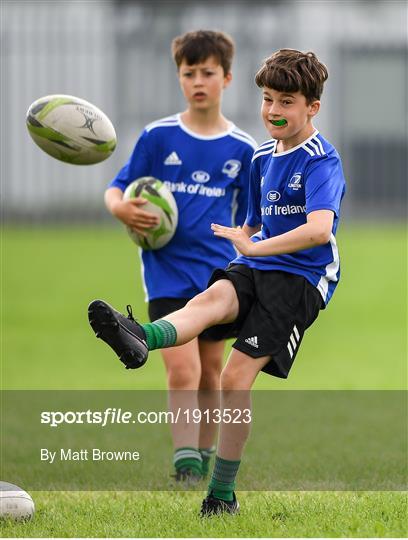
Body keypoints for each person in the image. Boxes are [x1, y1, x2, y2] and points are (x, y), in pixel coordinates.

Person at [88, 48, 346, 515]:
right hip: (260, 264)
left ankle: (222, 495)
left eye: (287, 101)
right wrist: (243, 238)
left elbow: (319, 229)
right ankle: (140, 336)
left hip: (302, 279)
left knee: (233, 377)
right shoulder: (262, 157)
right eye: (268, 99)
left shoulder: (320, 159)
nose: (273, 111)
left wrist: (252, 247)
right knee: (209, 300)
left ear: (312, 107)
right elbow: (252, 223)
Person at [96, 30, 257, 483]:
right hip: (165, 271)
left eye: (208, 72)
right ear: (179, 77)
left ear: (227, 77)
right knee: (182, 368)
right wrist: (121, 208)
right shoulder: (157, 136)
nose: (198, 81)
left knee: (211, 371)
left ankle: (204, 453)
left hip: (216, 275)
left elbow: (250, 218)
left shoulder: (243, 149)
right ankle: (185, 463)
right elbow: (116, 188)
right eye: (189, 73)